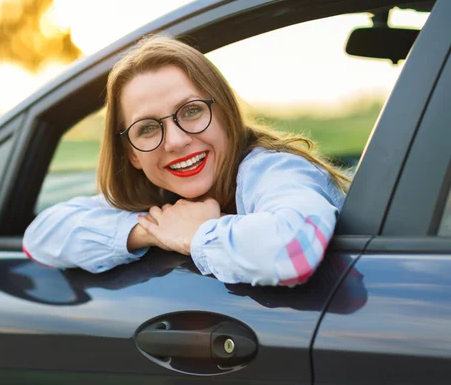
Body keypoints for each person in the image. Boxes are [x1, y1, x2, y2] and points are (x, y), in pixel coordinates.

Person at [23, 35, 349, 286]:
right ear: (132, 154)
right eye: (148, 128)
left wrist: (198, 233)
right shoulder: (164, 201)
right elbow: (40, 238)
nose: (177, 141)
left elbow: (295, 252)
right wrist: (154, 231)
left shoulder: (273, 169)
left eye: (191, 111)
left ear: (225, 113)